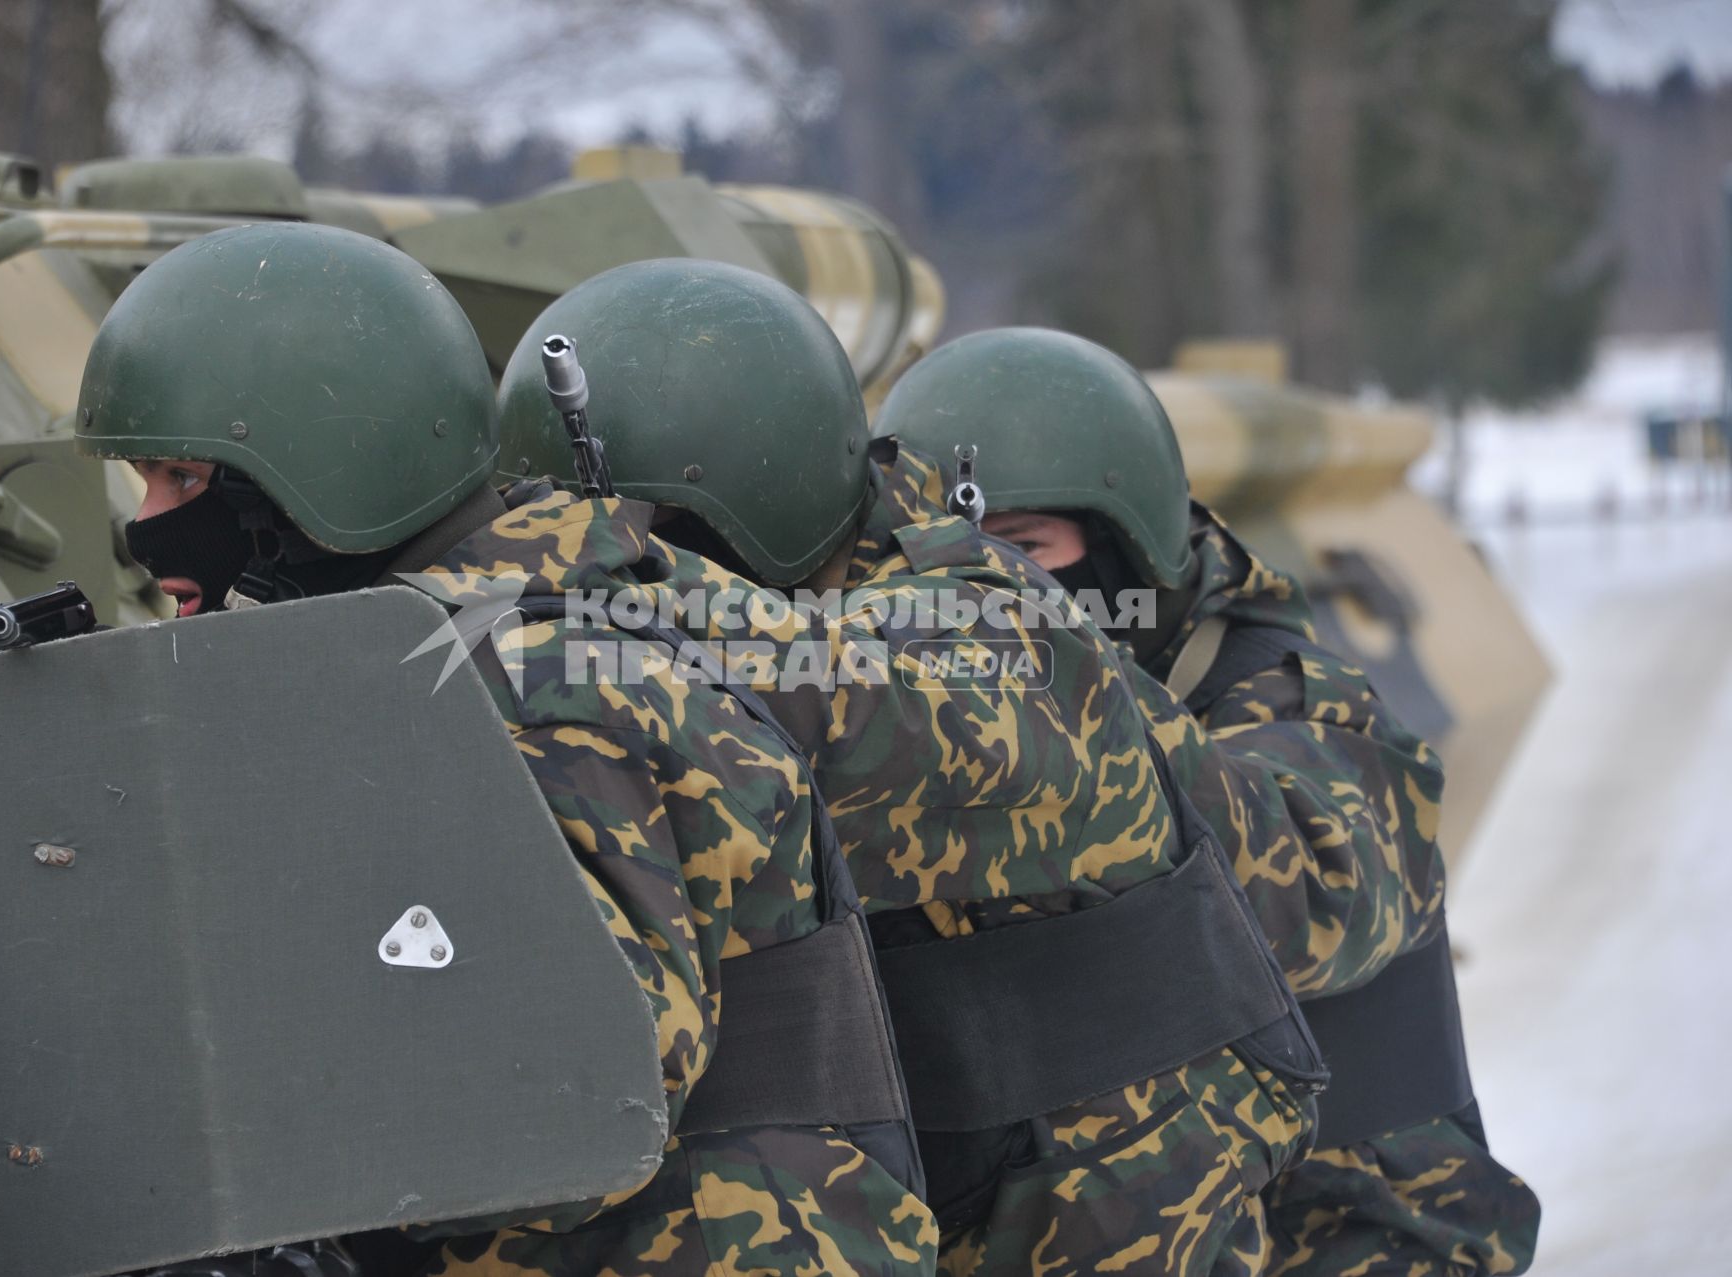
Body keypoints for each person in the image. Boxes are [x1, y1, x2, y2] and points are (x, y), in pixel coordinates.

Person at [76, 222, 935, 1277]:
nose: (147, 525)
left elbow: (563, 1106)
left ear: (313, 471)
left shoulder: (518, 687)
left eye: (179, 479)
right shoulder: (535, 607)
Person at [497, 258, 1327, 1277]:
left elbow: (797, 696)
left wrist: (545, 584)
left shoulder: (989, 622)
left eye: (652, 545)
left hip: (1120, 1218)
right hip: (948, 1190)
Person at [876, 326, 1541, 1276]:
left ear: (1122, 546)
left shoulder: (1293, 699)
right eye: (949, 556)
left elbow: (1313, 884)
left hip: (1360, 1236)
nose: (983, 587)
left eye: (1022, 550)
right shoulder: (945, 725)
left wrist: (1068, 706)